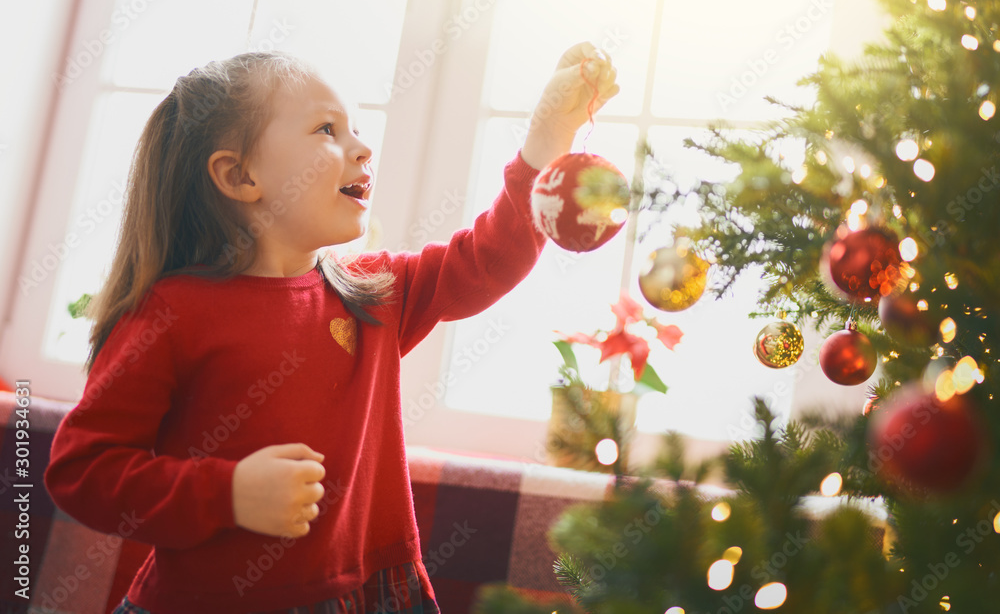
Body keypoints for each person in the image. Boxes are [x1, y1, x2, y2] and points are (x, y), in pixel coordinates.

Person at [44, 43, 619, 613]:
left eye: (355, 129)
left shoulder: (371, 290)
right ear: (240, 175)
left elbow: (491, 258)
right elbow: (82, 471)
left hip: (372, 587)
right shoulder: (173, 313)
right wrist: (228, 493)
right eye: (327, 130)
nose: (363, 148)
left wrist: (550, 135)